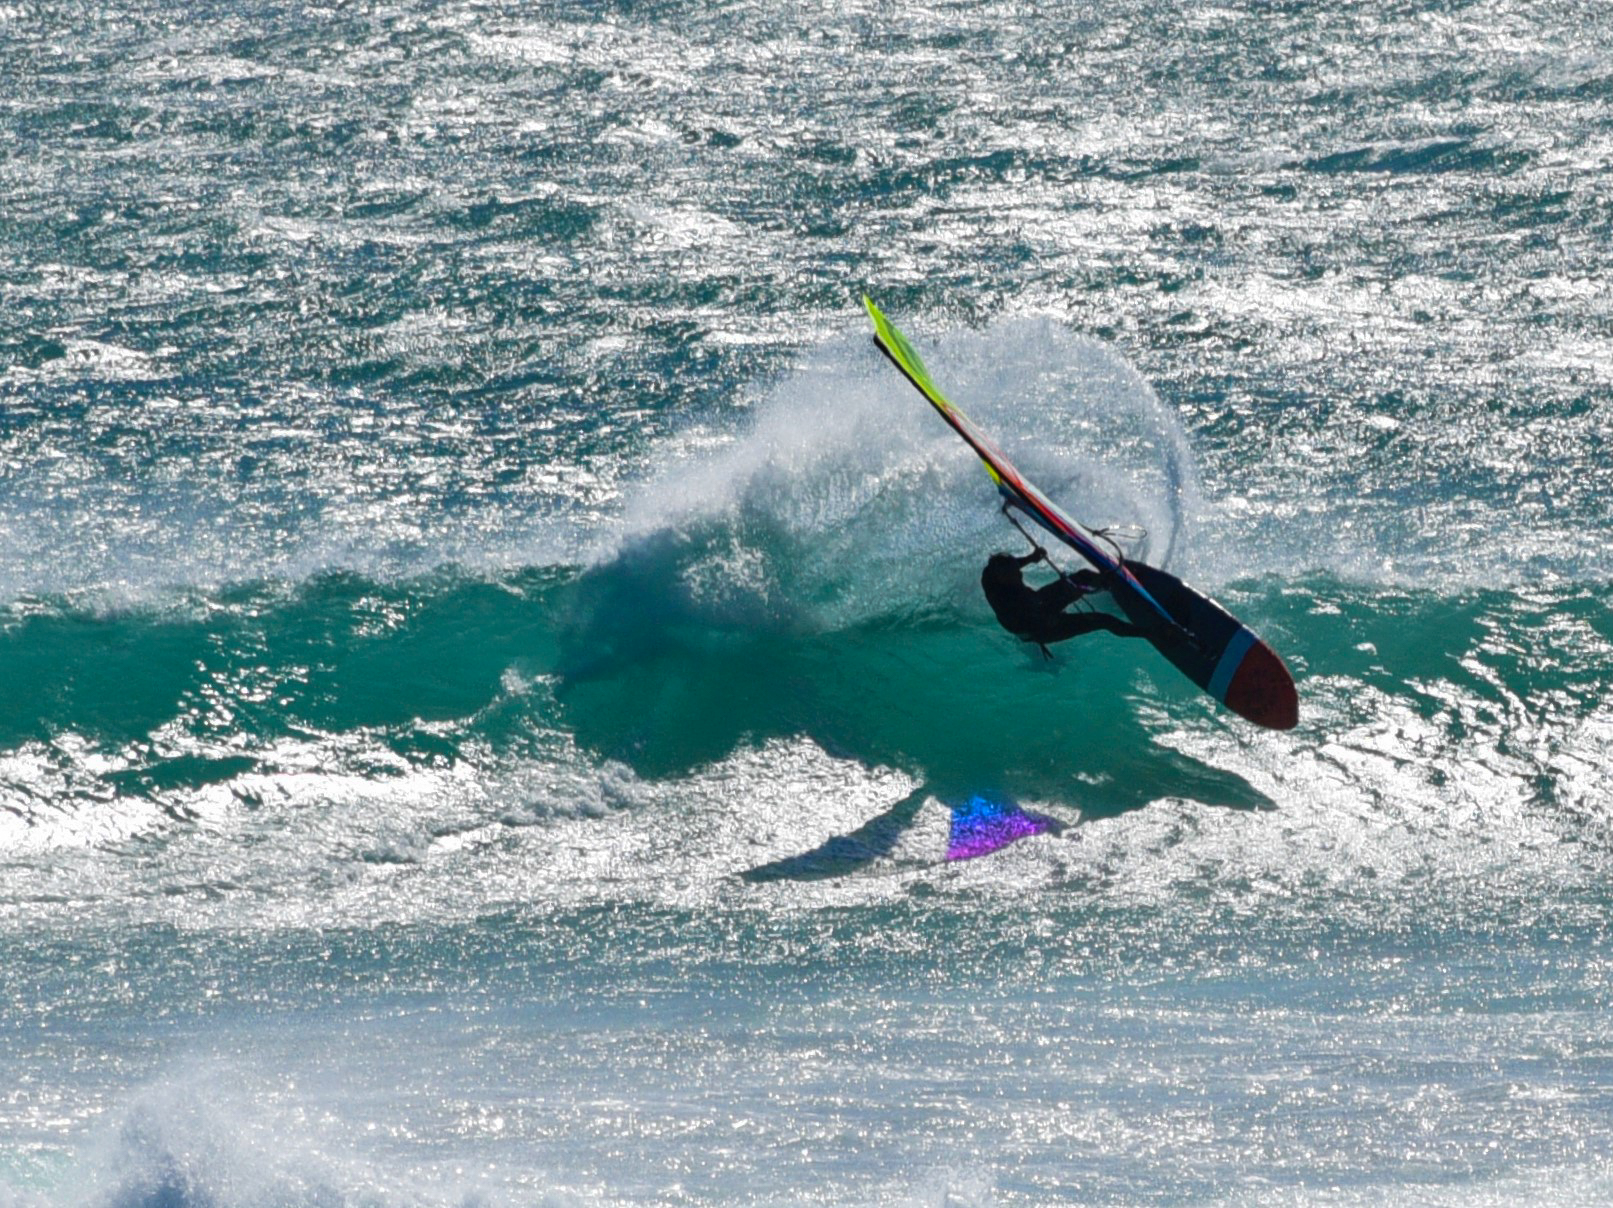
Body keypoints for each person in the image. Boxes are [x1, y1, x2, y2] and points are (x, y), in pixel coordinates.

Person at [981, 546, 1145, 656]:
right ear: (1001, 577)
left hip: (1037, 605)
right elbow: (1040, 604)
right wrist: (1078, 590)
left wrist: (1031, 558)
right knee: (1104, 620)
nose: (1018, 576)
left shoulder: (990, 574)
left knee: (1083, 576)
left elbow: (1013, 564)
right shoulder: (1007, 599)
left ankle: (1116, 585)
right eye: (1013, 576)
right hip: (1039, 628)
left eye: (1017, 572)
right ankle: (1148, 632)